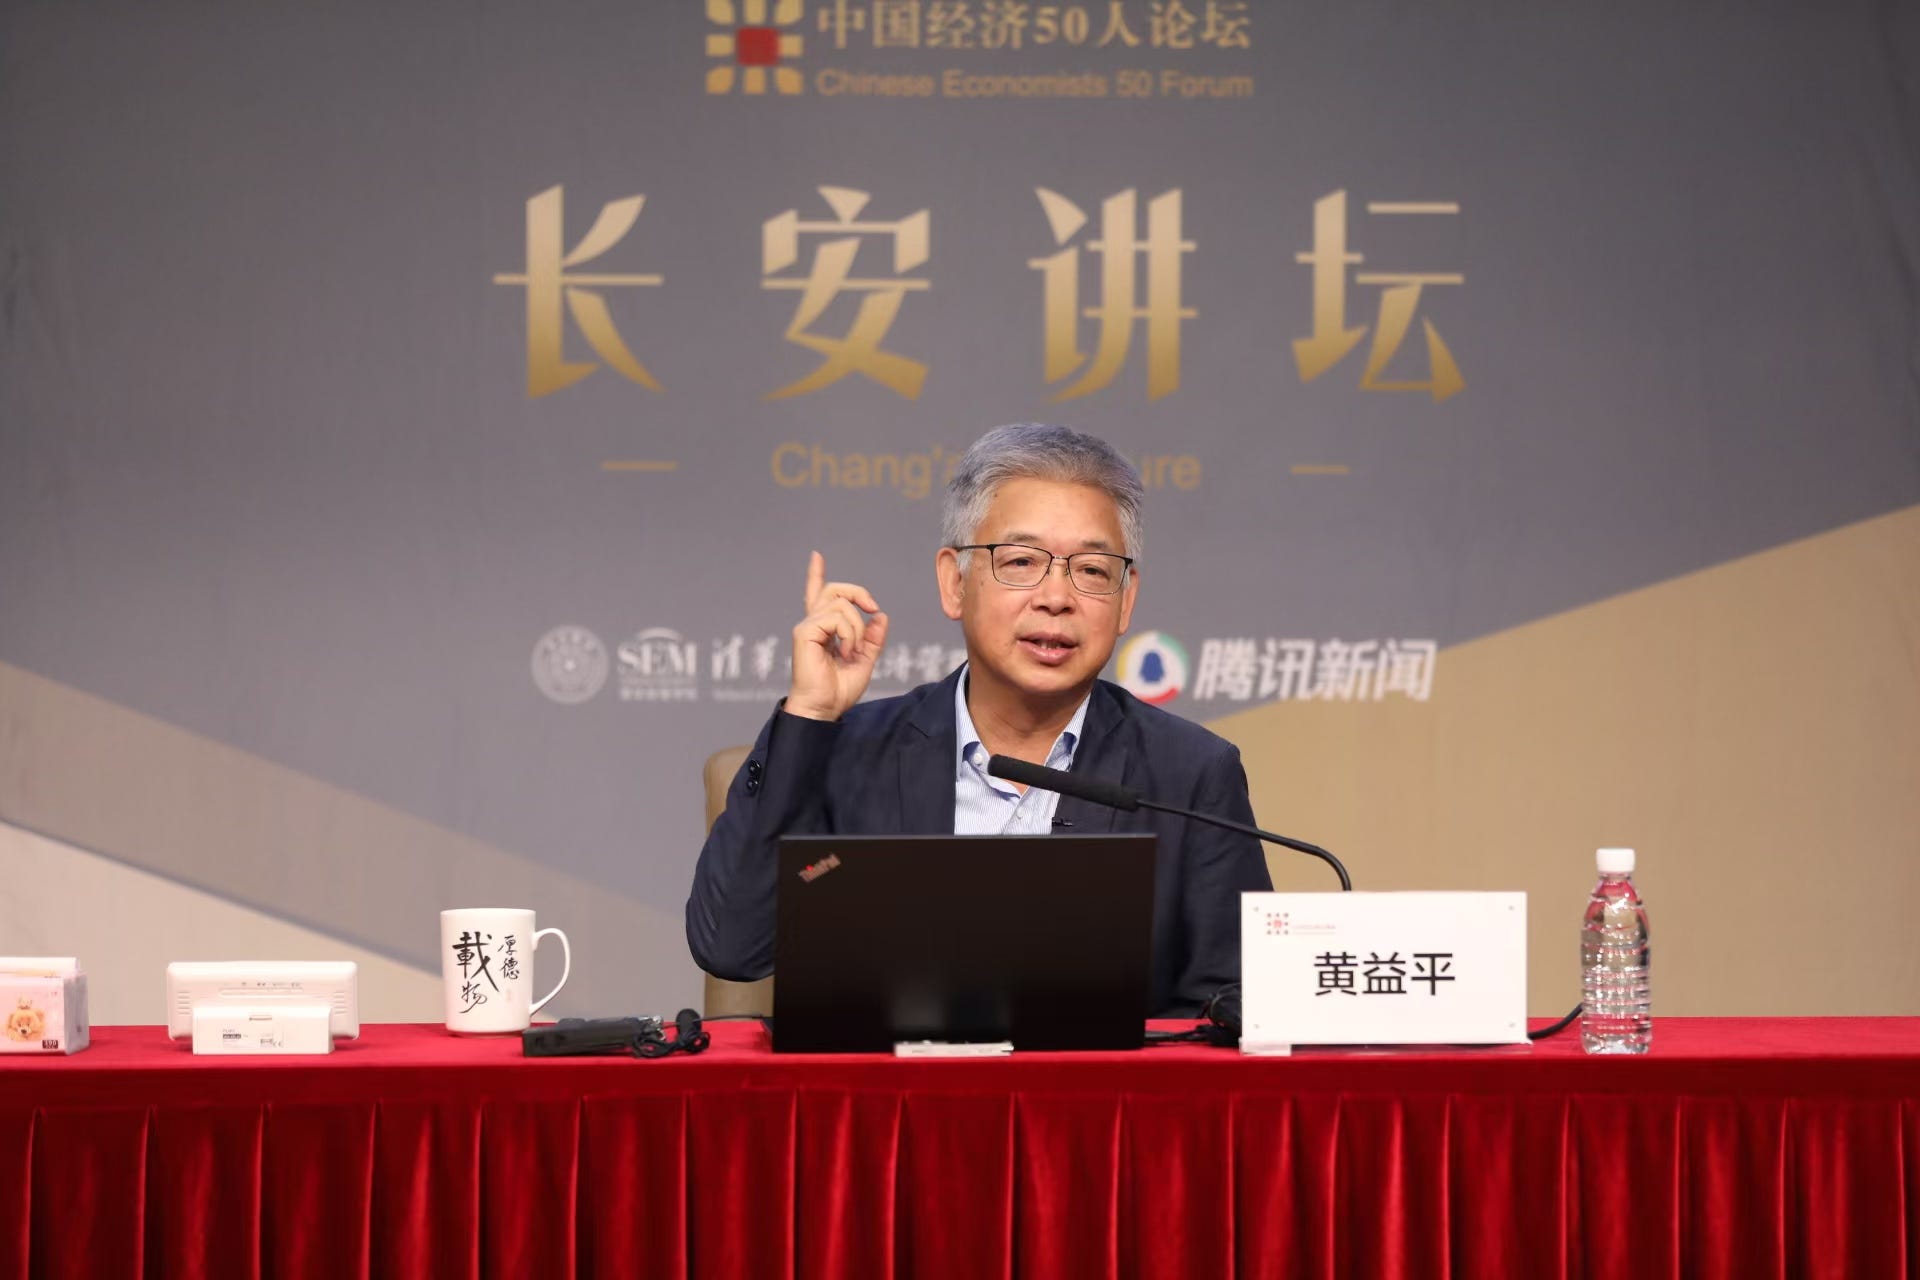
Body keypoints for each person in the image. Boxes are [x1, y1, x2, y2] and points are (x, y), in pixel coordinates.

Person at [685, 423, 1271, 1016]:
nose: (1056, 597)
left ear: (1126, 599)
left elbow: (1234, 1002)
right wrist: (810, 715)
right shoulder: (846, 753)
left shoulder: (1190, 775)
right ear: (954, 582)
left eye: (1092, 570)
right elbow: (731, 947)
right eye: (1021, 561)